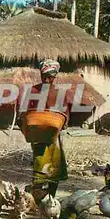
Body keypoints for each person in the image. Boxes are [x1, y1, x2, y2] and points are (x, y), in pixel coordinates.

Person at [21, 59, 73, 203]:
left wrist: (61, 123)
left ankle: (51, 199)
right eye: (45, 76)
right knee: (39, 168)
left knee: (54, 169)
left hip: (54, 136)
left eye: (51, 76)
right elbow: (24, 112)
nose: (48, 79)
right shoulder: (33, 90)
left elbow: (65, 114)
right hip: (38, 136)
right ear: (40, 74)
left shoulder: (59, 92)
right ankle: (36, 201)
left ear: (55, 76)